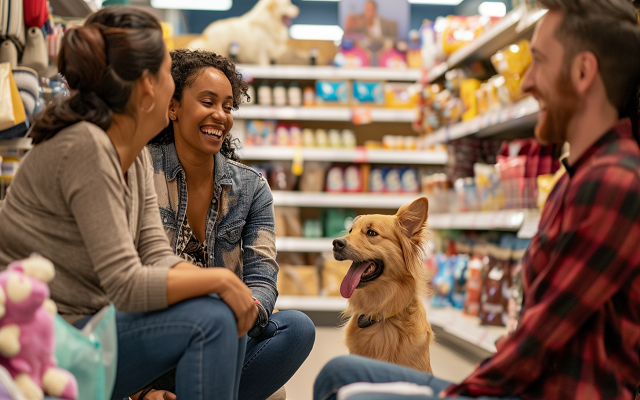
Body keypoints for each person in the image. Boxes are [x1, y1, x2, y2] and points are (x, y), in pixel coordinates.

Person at [314, 0, 640, 399]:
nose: (525, 82)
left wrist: (458, 394)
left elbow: (540, 338)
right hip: (525, 384)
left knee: (348, 388)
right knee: (338, 373)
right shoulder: (578, 177)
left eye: (537, 61)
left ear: (583, 71)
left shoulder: (612, 184)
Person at [0, 6, 260, 400]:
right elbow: (125, 284)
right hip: (38, 338)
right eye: (167, 74)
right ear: (146, 87)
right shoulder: (86, 146)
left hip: (88, 327)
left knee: (224, 310)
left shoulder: (133, 154)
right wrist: (222, 279)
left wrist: (220, 287)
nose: (173, 87)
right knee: (213, 319)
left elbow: (155, 254)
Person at [146, 49, 316, 400]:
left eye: (228, 106)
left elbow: (262, 279)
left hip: (229, 335)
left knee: (297, 328)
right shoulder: (141, 172)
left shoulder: (252, 189)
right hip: (156, 334)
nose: (220, 115)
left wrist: (245, 313)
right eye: (208, 102)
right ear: (173, 107)